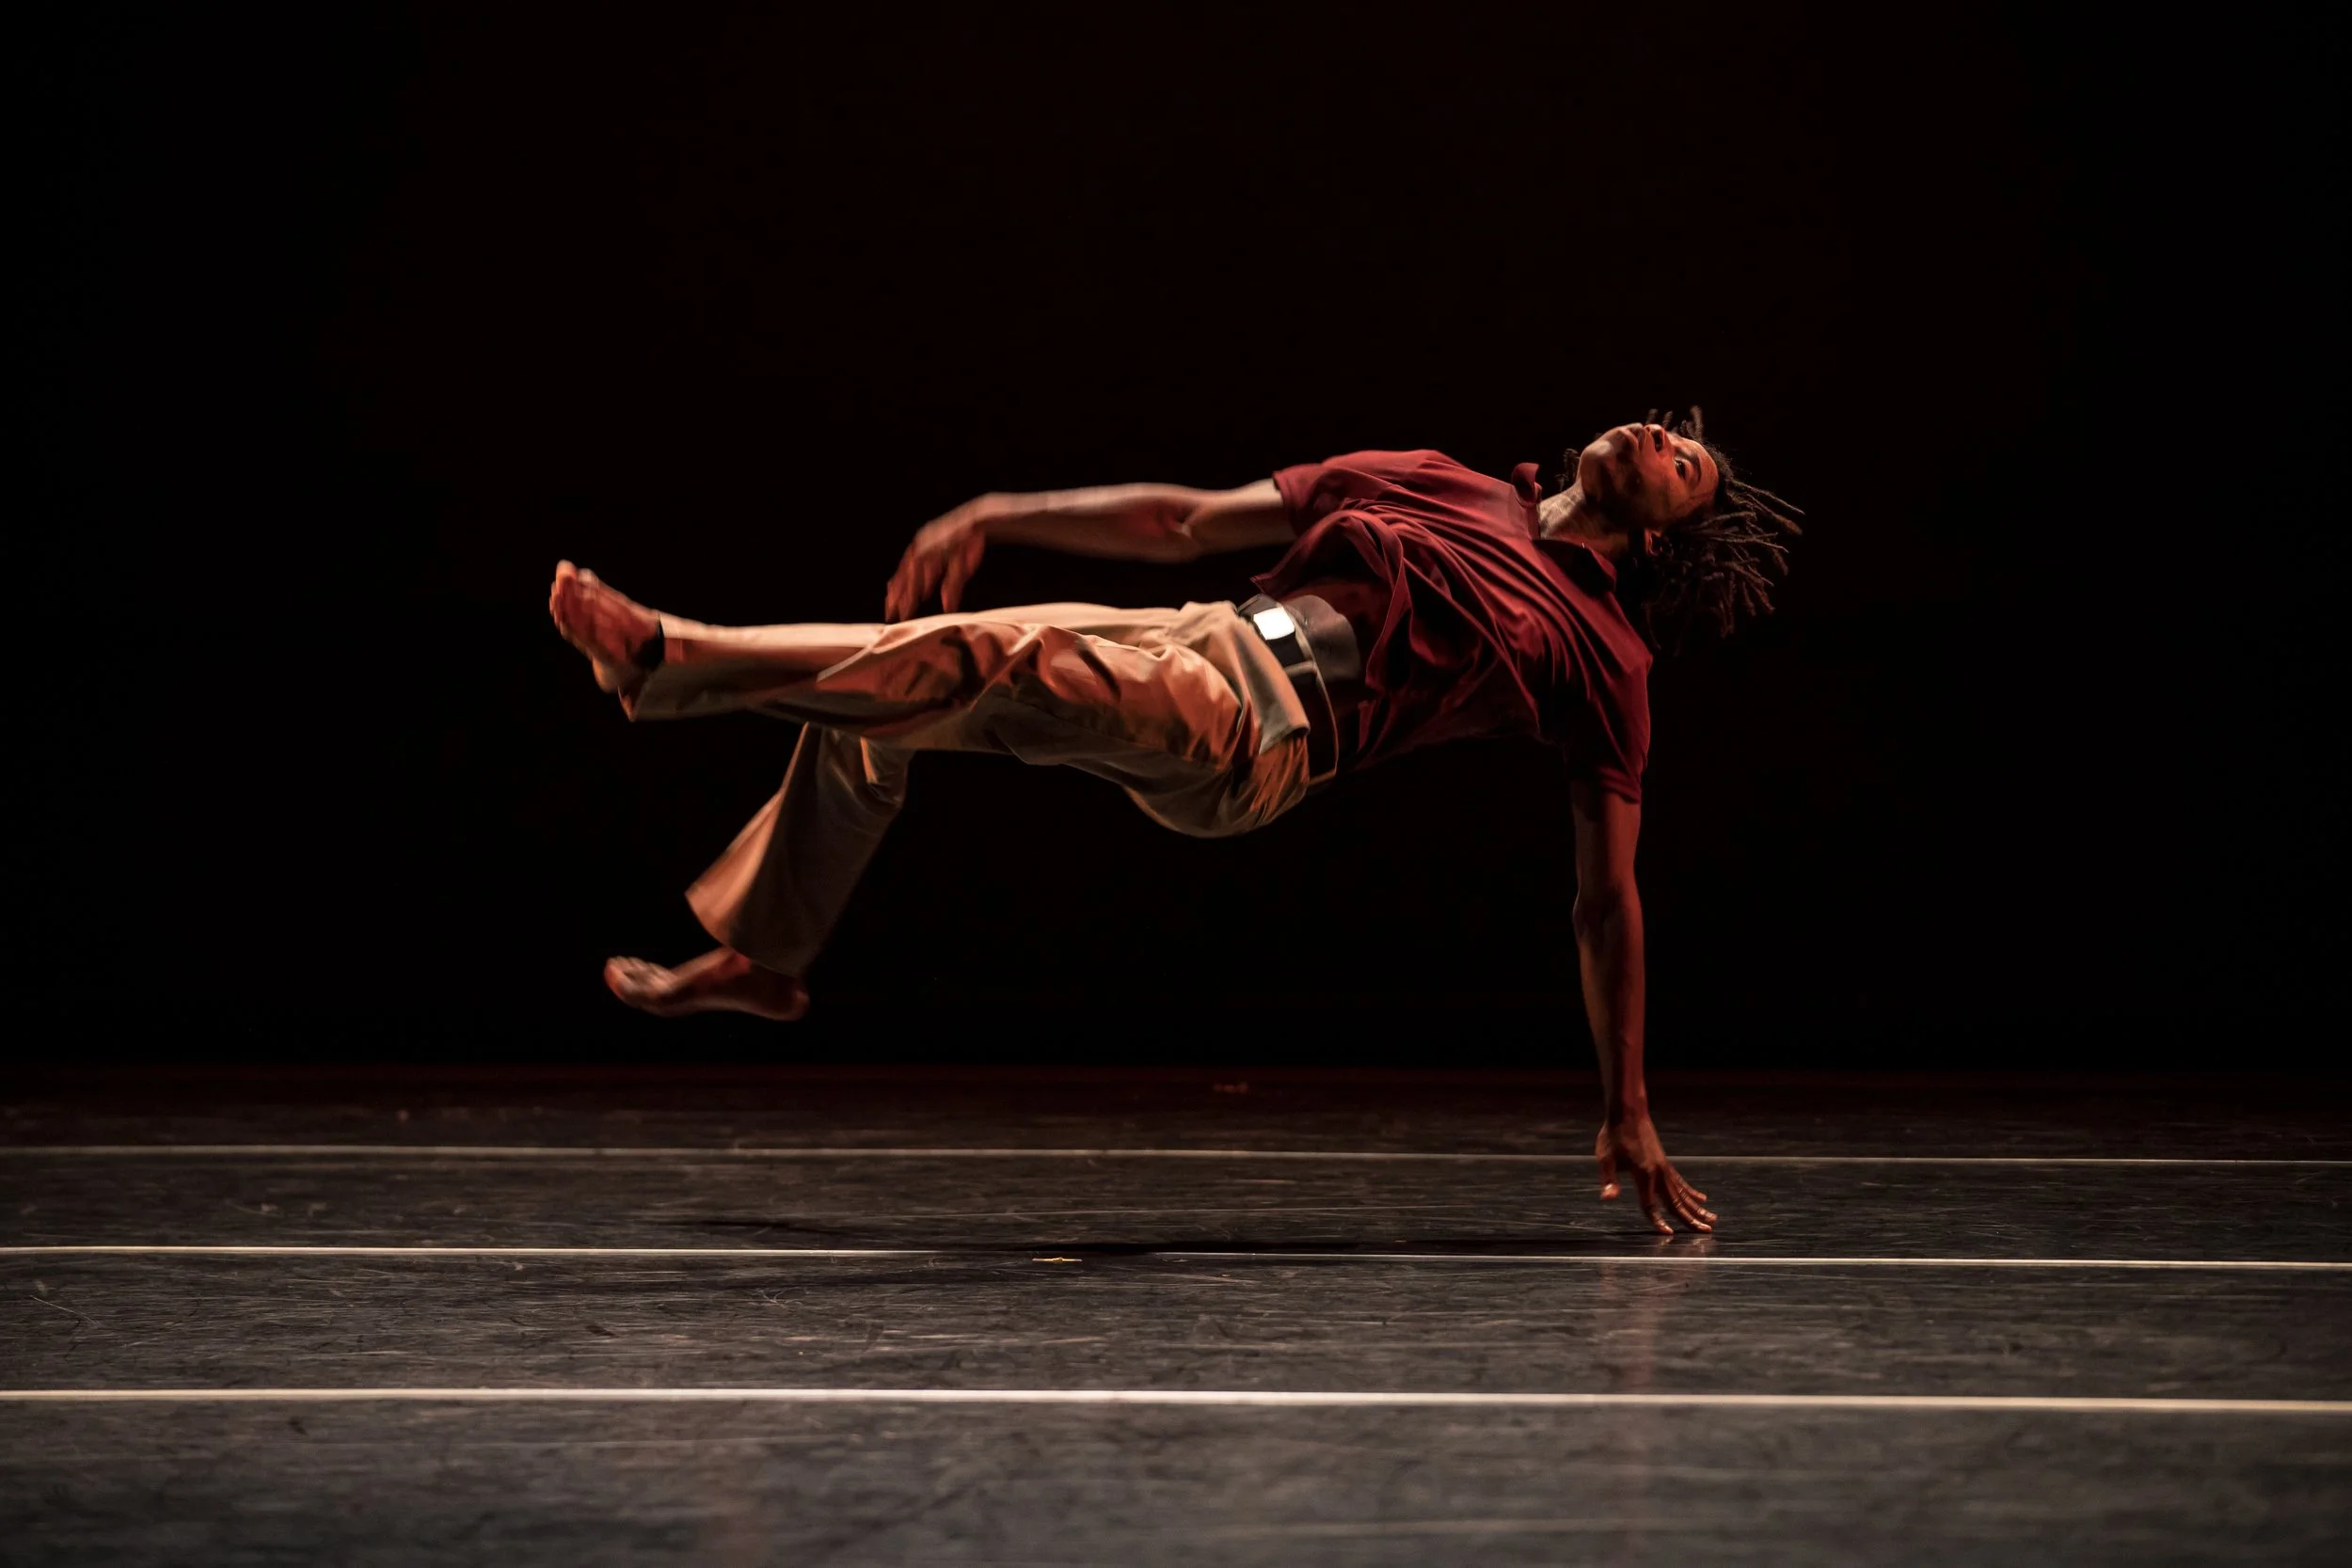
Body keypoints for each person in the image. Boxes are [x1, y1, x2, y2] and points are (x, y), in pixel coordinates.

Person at [548, 410, 1800, 1233]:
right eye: (1664, 426)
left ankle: (669, 657)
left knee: (992, 660)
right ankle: (769, 952)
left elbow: (1605, 900)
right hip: (1199, 633)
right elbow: (1186, 519)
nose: (1657, 435)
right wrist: (995, 511)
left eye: (1683, 464)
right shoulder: (1445, 482)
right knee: (891, 697)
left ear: (1661, 540)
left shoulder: (1606, 656)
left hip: (1260, 732)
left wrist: (1628, 1102)